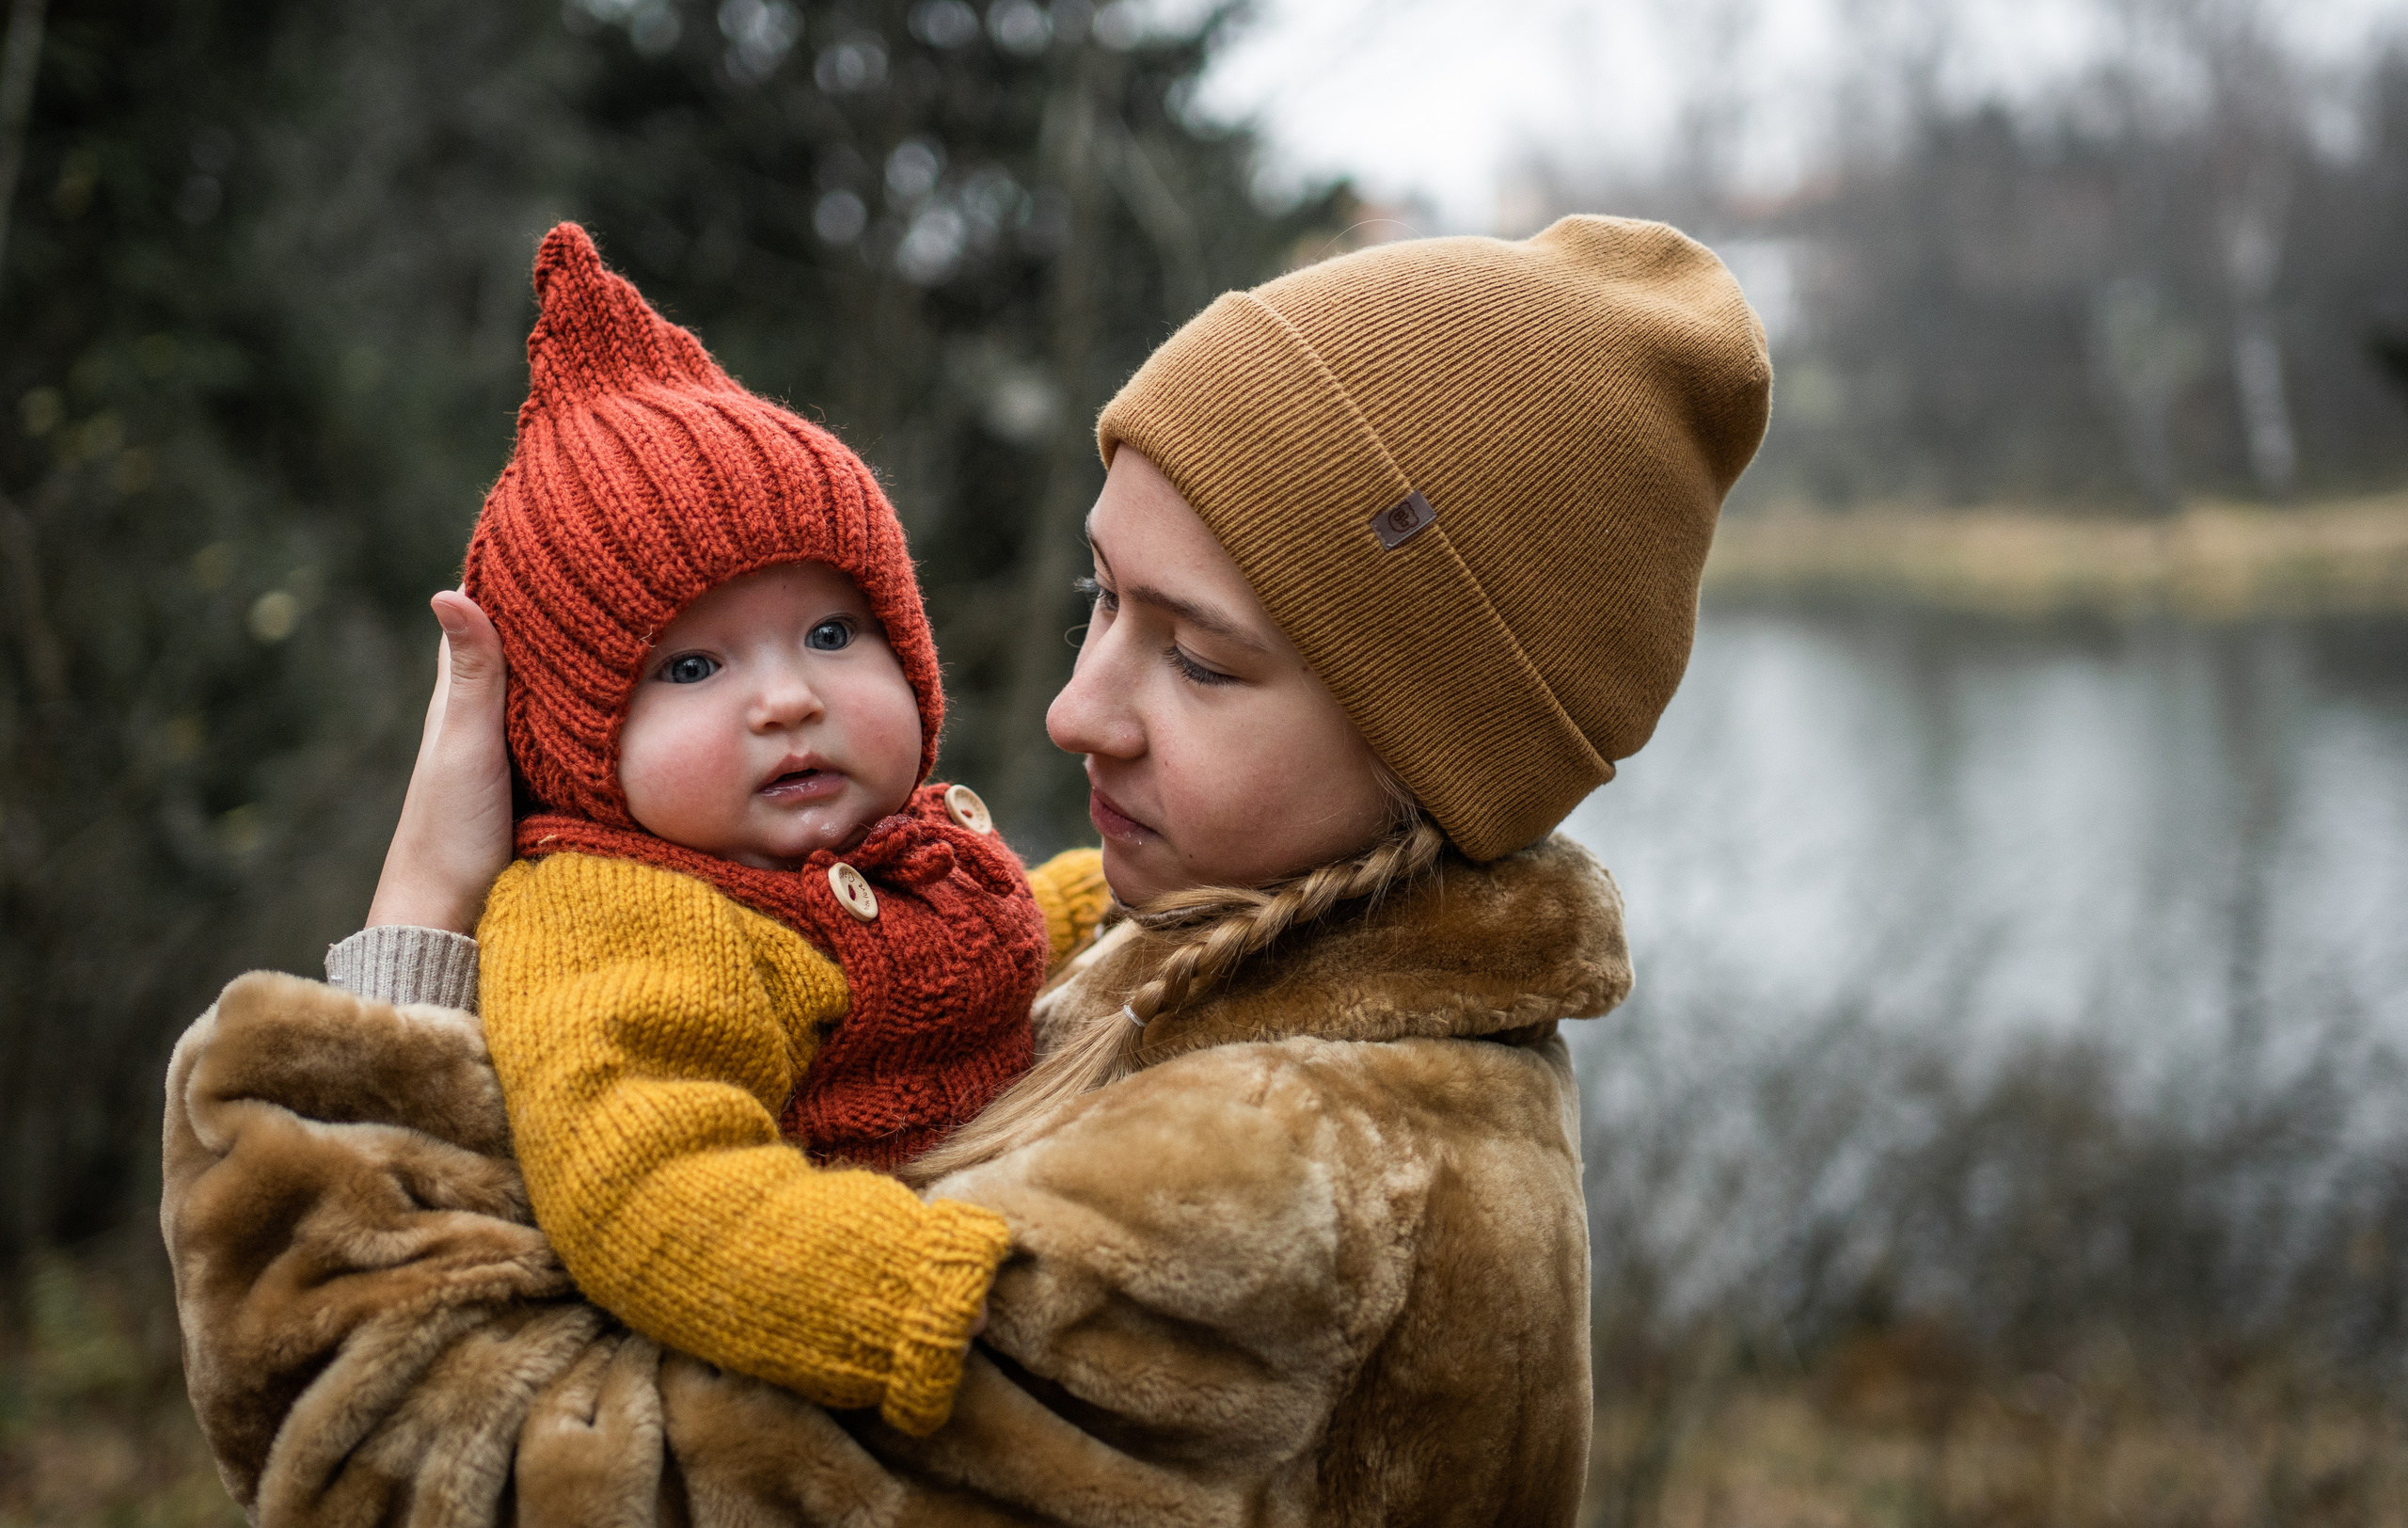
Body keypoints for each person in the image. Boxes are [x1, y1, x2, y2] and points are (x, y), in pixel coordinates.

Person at [162, 214, 1770, 1526]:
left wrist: (414, 942)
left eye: (1198, 662)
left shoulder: (1276, 1194)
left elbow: (409, 1475)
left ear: (1439, 738)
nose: (1074, 707)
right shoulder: (1214, 960)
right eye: (1101, 599)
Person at [325, 221, 1113, 1440]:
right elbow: (646, 1184)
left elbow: (1008, 929)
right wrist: (906, 1292)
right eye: (691, 665)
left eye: (833, 635)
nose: (788, 697)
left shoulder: (888, 848)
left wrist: (1120, 897)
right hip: (846, 1383)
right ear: (576, 739)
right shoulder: (613, 915)